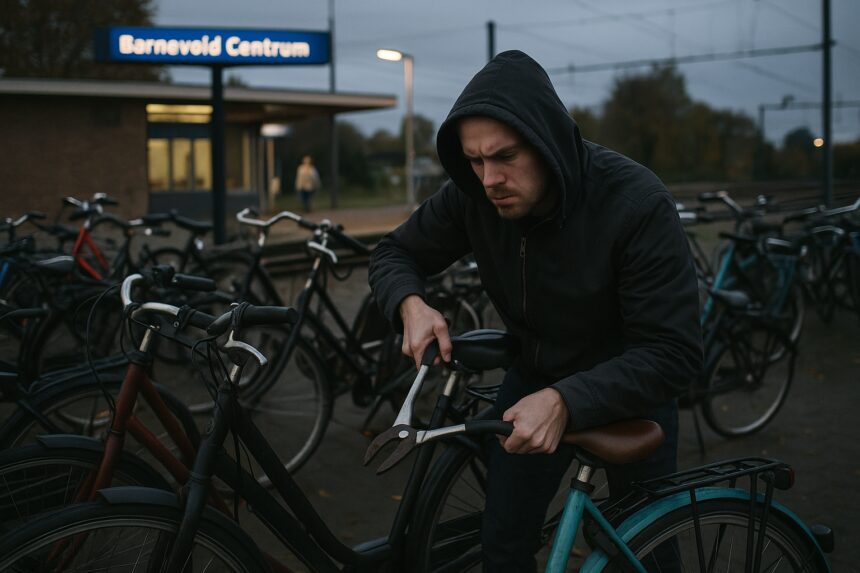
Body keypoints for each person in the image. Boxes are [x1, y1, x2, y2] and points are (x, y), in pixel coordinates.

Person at [368, 50, 702, 571]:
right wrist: (409, 303)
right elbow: (395, 252)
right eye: (475, 161)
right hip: (533, 376)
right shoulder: (472, 196)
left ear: (546, 141)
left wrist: (568, 399)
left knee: (642, 551)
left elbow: (673, 353)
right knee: (503, 544)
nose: (489, 179)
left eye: (505, 157)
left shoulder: (636, 203)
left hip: (632, 392)